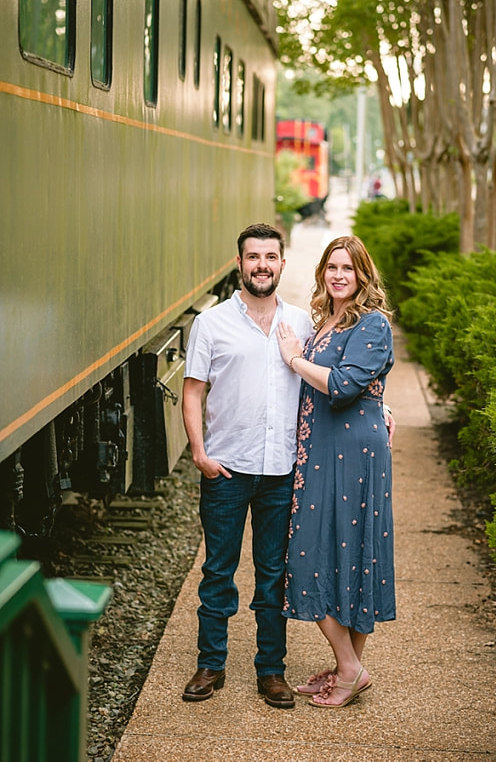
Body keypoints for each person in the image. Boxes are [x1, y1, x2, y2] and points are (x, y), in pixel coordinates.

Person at [181, 223, 314, 709]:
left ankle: (271, 671)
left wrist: (376, 407)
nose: (262, 265)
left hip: (281, 472)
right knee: (218, 571)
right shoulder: (211, 323)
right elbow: (192, 391)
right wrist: (200, 453)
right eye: (252, 257)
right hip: (227, 470)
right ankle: (209, 664)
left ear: (282, 264)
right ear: (239, 264)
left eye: (270, 257)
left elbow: (325, 382)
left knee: (273, 575)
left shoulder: (301, 324)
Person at [276, 235, 396, 709]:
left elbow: (344, 385)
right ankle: (350, 666)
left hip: (351, 454)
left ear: (363, 275)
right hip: (322, 448)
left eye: (349, 268)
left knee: (325, 554)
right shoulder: (327, 319)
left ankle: (349, 669)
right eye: (332, 267)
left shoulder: (372, 324)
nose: (339, 275)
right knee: (336, 552)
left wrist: (294, 359)